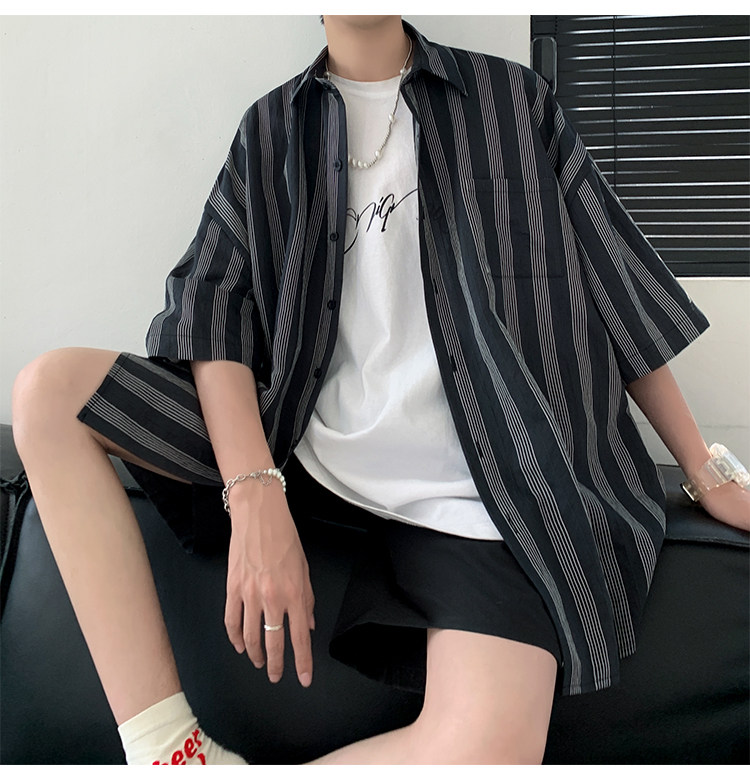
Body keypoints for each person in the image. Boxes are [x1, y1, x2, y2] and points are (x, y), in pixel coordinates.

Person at [11, 15, 750, 765]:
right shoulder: (271, 130)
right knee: (52, 394)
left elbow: (617, 289)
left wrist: (704, 467)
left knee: (490, 749)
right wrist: (254, 489)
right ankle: (168, 752)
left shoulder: (513, 101)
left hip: (482, 486)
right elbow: (213, 316)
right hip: (299, 449)